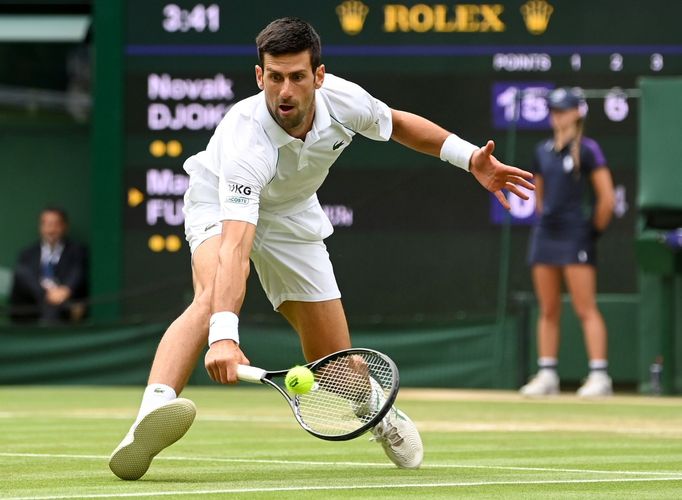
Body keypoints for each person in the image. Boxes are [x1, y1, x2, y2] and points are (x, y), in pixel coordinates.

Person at [109, 17, 535, 480]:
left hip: (292, 213)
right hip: (219, 203)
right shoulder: (245, 142)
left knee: (333, 363)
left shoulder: (344, 100)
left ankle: (377, 409)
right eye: (274, 77)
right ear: (259, 77)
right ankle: (150, 414)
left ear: (319, 75)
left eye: (296, 77)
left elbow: (398, 125)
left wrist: (469, 157)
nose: (285, 91)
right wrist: (224, 337)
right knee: (211, 294)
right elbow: (235, 248)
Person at [520, 87, 615, 398]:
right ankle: (547, 374)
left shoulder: (589, 150)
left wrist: (591, 232)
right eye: (553, 110)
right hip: (546, 234)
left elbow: (607, 199)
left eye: (562, 110)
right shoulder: (542, 151)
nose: (556, 116)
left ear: (577, 113)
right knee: (547, 309)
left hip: (576, 235)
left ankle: (599, 376)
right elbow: (539, 195)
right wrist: (546, 219)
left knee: (585, 307)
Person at [9, 207, 88, 324]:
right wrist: (47, 294)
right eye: (47, 224)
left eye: (56, 224)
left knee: (55, 306)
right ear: (41, 227)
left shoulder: (77, 251)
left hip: (63, 305)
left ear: (65, 226)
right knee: (22, 273)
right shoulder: (28, 254)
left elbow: (78, 272)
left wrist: (66, 290)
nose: (51, 230)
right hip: (33, 306)